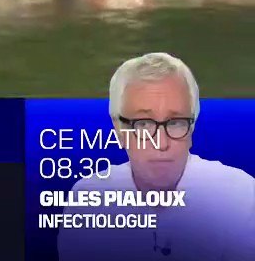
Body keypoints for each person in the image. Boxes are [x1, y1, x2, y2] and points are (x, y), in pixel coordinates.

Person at [58, 53, 255, 261]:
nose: (161, 143)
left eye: (176, 122)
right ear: (119, 131)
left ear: (192, 128)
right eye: (143, 124)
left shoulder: (240, 198)